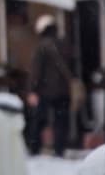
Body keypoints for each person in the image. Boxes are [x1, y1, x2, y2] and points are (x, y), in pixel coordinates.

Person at [27, 13, 75, 157]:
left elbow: (36, 70)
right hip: (64, 91)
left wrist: (32, 89)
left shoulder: (42, 46)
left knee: (39, 121)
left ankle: (34, 148)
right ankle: (60, 149)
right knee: (61, 122)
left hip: (46, 91)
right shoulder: (64, 44)